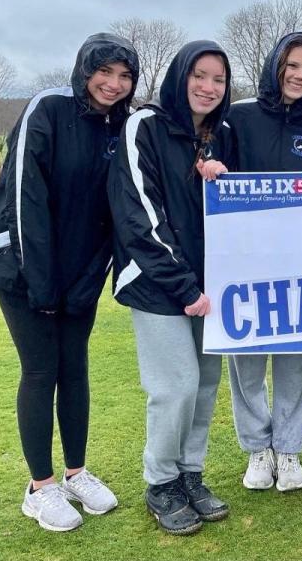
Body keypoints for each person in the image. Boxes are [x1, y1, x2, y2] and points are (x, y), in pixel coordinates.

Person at [0, 33, 138, 532]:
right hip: (22, 269)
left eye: (124, 76)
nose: (113, 84)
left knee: (76, 370)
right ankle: (39, 488)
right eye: (104, 72)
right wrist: (41, 285)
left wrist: (91, 277)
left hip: (77, 275)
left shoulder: (122, 128)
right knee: (42, 370)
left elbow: (113, 213)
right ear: (84, 70)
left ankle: (76, 473)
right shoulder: (47, 109)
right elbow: (25, 200)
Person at [109, 40, 232, 535]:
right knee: (175, 385)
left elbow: (234, 212)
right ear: (181, 76)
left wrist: (219, 179)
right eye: (199, 75)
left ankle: (189, 474)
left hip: (210, 287)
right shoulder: (145, 125)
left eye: (218, 79)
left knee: (204, 384)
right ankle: (160, 482)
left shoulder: (221, 135)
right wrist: (184, 286)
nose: (208, 87)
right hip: (158, 285)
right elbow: (139, 216)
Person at [225, 32, 302, 493]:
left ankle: (288, 451)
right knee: (245, 358)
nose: (300, 76)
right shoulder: (237, 117)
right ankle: (257, 450)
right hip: (243, 265)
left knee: (296, 361)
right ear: (275, 65)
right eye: (293, 65)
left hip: (299, 266)